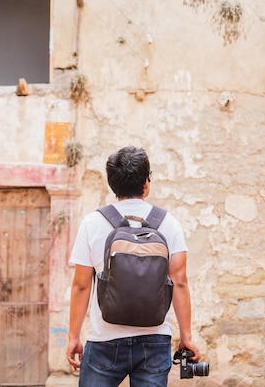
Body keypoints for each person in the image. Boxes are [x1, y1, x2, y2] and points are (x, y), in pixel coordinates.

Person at [66, 146, 201, 387]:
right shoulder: (168, 223)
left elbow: (81, 285)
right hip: (155, 338)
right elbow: (179, 282)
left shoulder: (92, 223)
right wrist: (186, 337)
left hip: (104, 340)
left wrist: (73, 336)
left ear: (112, 185)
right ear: (146, 184)